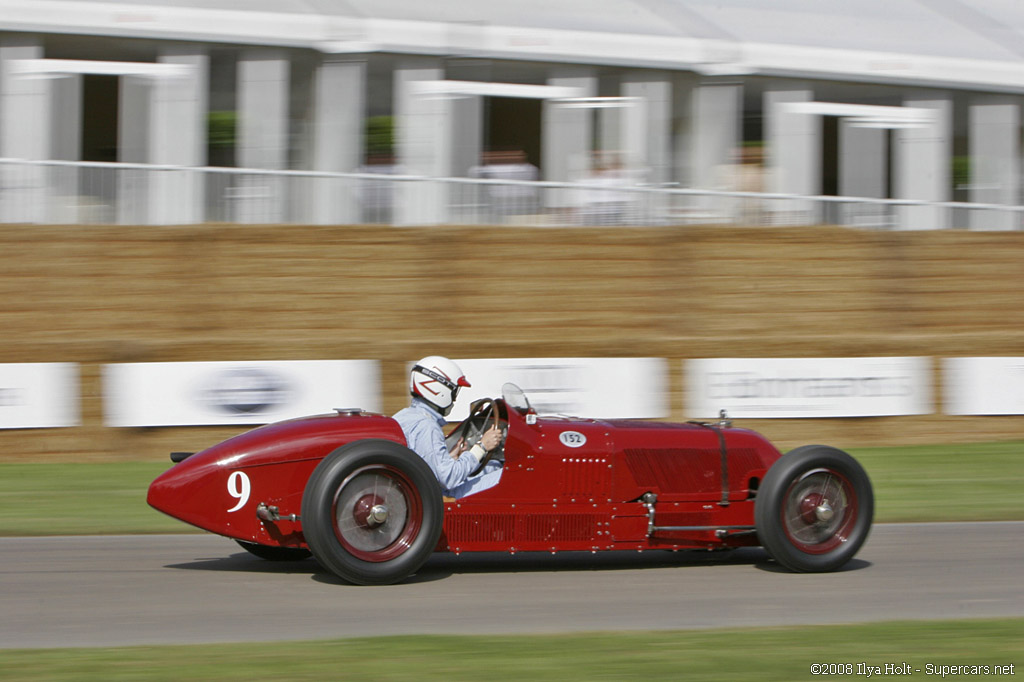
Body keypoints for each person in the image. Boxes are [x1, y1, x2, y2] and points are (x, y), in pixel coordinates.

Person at [393, 356, 503, 499]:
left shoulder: (405, 415)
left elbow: (427, 463)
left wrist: (450, 457)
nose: (455, 399)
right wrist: (481, 447)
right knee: (504, 475)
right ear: (439, 390)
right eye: (454, 392)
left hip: (416, 489)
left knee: (492, 465)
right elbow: (448, 479)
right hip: (435, 497)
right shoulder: (427, 426)